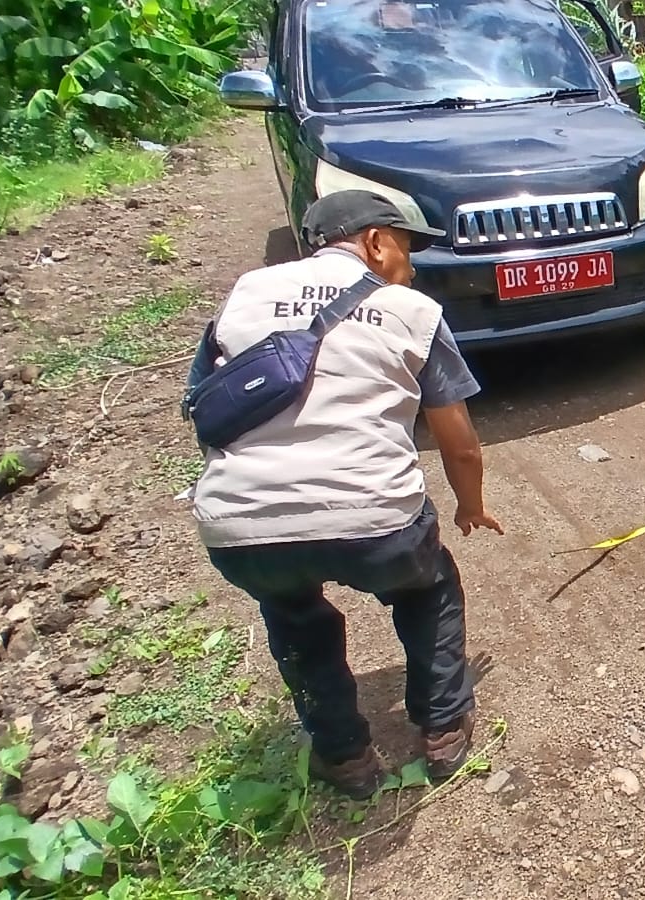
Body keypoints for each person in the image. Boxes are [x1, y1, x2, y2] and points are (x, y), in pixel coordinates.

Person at [187, 190, 504, 800]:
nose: (411, 267)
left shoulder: (246, 294)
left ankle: (345, 758)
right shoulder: (410, 310)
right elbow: (459, 444)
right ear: (376, 242)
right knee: (427, 588)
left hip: (242, 525)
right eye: (408, 249)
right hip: (375, 518)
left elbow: (203, 404)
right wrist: (470, 504)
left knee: (293, 615)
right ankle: (441, 730)